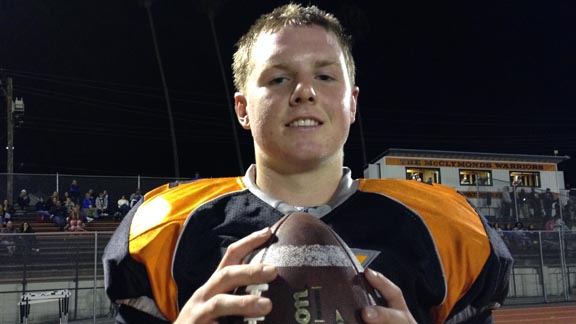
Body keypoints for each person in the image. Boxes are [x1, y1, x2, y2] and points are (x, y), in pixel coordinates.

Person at [103, 4, 512, 324]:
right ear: (243, 109)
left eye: (325, 77)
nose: (304, 92)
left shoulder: (445, 229)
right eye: (278, 78)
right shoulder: (168, 232)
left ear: (352, 103)